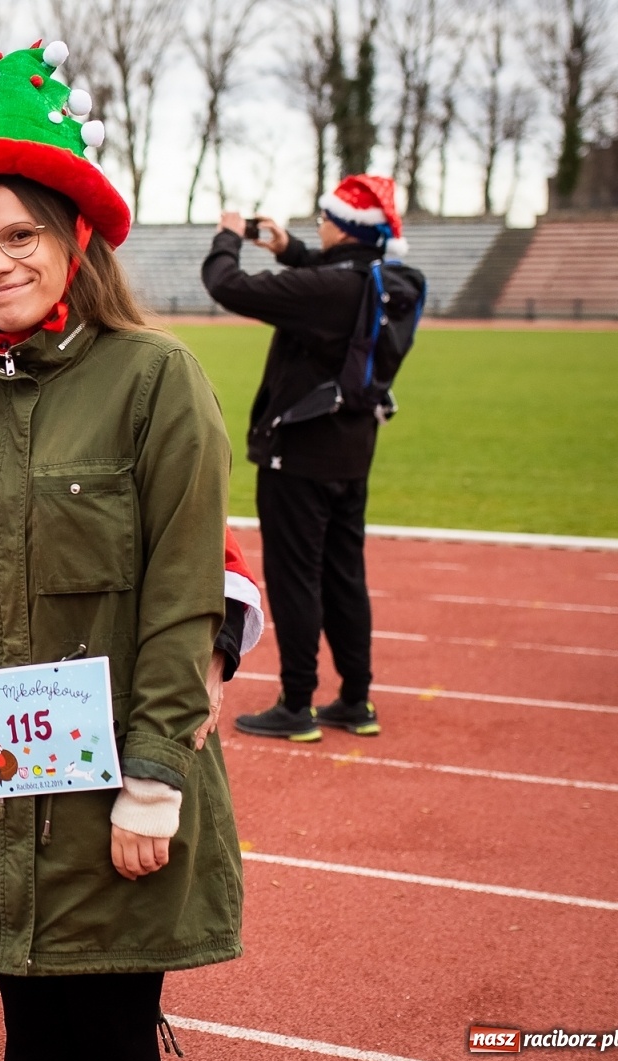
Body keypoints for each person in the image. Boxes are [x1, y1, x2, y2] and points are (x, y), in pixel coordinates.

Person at [0, 42, 243, 1061]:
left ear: (75, 237)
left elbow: (182, 601)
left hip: (111, 799)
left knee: (108, 1039)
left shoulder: (156, 379)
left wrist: (155, 780)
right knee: (30, 1038)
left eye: (18, 235)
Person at [202, 175, 409, 741]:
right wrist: (289, 249)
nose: (318, 226)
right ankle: (356, 699)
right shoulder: (386, 278)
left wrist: (228, 237)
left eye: (326, 218)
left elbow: (226, 284)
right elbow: (336, 274)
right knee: (345, 573)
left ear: (342, 226)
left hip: (298, 452)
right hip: (353, 449)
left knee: (296, 578)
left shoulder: (328, 290)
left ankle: (297, 703)